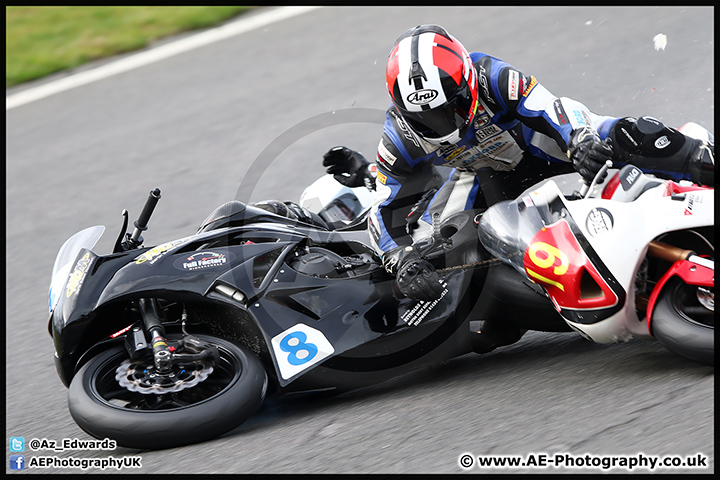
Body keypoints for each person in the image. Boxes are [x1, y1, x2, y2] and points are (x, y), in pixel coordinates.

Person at [323, 24, 715, 309]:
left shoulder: (492, 75)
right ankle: (532, 293)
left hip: (539, 143)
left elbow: (554, 107)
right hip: (484, 175)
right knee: (447, 246)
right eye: (430, 119)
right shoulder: (398, 136)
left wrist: (580, 140)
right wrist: (405, 261)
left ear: (467, 84)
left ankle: (701, 160)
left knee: (628, 135)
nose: (445, 124)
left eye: (451, 108)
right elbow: (383, 212)